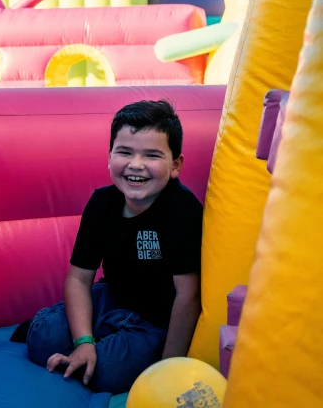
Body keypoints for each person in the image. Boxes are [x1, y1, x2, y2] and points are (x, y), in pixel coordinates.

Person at [12, 99, 203, 395]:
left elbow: (187, 296)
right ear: (110, 156)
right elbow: (79, 278)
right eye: (124, 152)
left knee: (109, 371)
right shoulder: (102, 203)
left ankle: (93, 355)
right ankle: (86, 346)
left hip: (153, 322)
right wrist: (83, 343)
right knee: (42, 337)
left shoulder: (182, 210)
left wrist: (167, 369)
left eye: (152, 155)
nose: (136, 164)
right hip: (110, 300)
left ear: (175, 165)